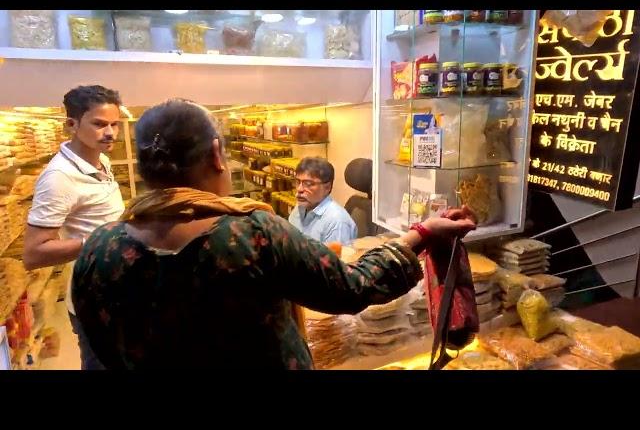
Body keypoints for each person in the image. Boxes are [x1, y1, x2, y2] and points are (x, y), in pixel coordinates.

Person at [71, 98, 476, 370]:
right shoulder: (252, 235)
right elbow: (353, 287)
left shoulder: (99, 249)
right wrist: (422, 233)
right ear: (216, 154)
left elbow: (96, 353)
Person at [24, 85, 125, 370]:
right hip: (92, 299)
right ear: (72, 124)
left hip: (113, 290)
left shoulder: (101, 160)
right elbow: (33, 253)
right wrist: (104, 238)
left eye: (114, 124)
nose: (110, 133)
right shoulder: (59, 178)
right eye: (99, 124)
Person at [288, 157, 357, 245]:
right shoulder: (300, 207)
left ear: (327, 187)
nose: (299, 189)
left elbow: (333, 258)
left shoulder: (337, 222)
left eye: (308, 184)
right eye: (297, 182)